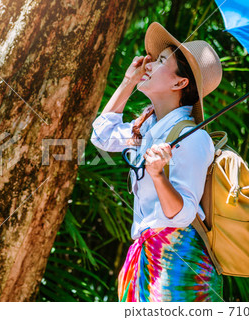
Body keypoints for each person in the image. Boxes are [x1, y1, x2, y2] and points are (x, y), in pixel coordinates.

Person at [90, 22, 224, 302]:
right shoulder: (149, 128)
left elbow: (184, 214)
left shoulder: (193, 138)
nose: (148, 63)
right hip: (144, 258)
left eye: (162, 60)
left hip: (176, 263)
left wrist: (159, 176)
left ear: (180, 82)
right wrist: (128, 82)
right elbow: (102, 136)